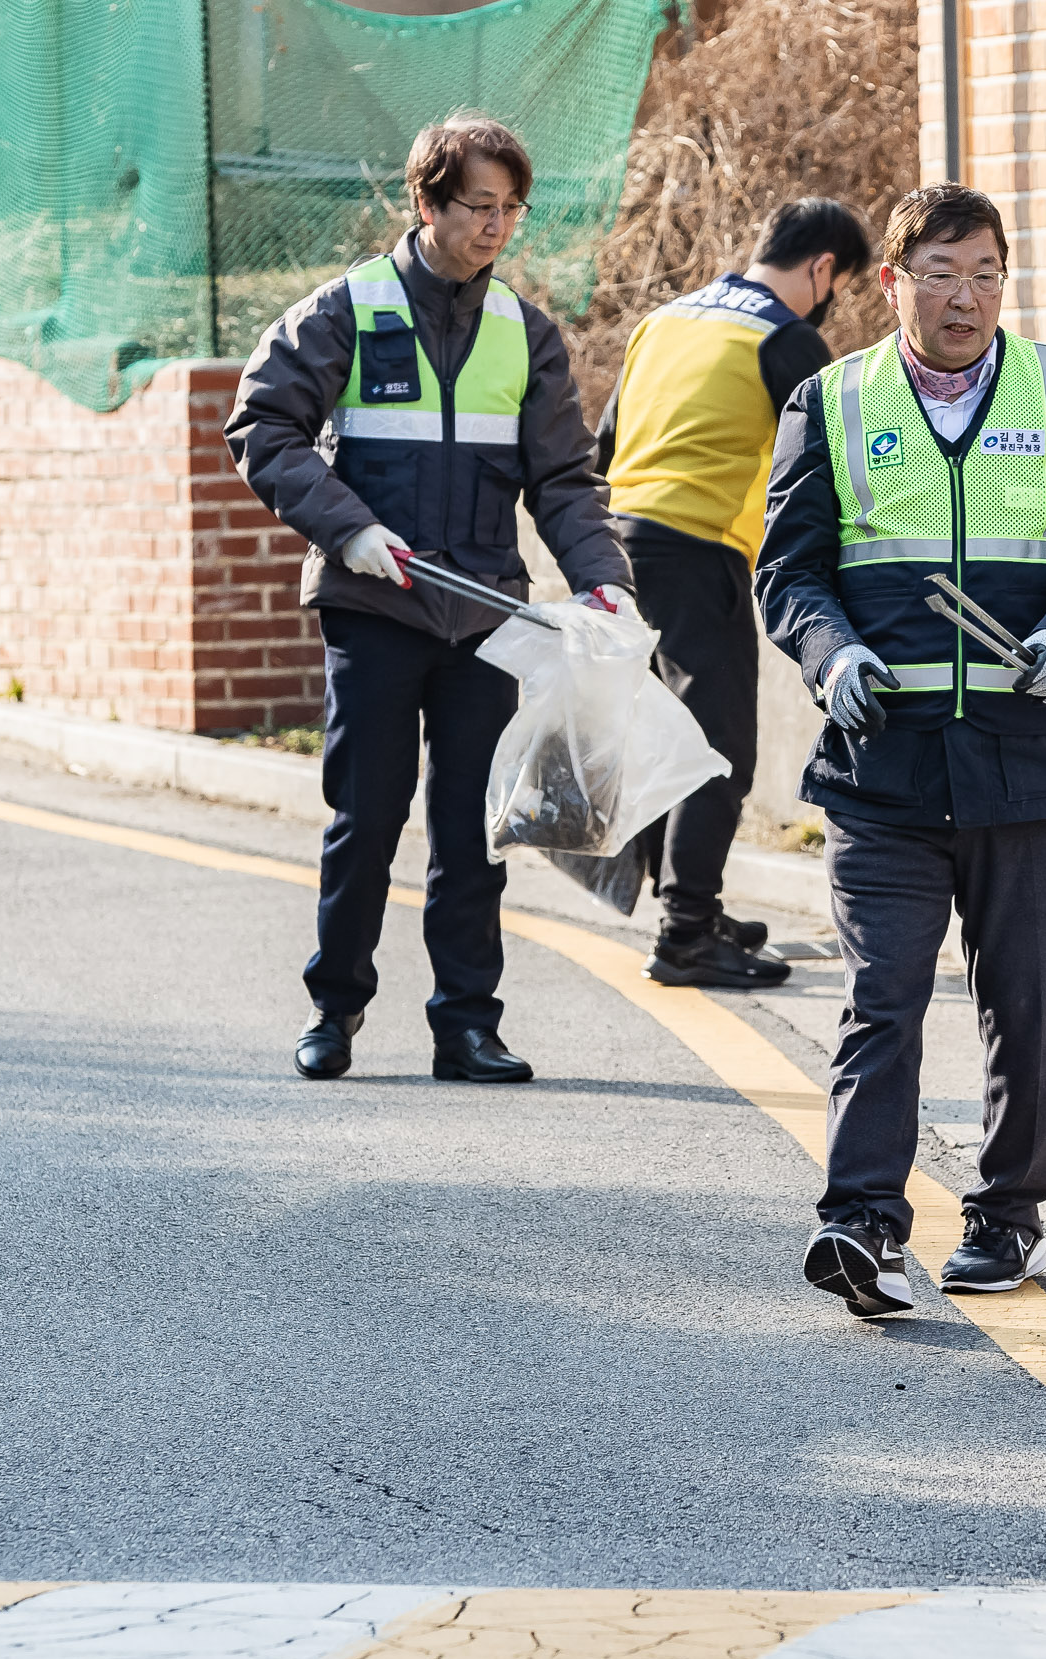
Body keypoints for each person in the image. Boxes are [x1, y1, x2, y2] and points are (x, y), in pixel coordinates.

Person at [757, 183, 1046, 1312]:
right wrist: (829, 655)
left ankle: (1005, 1215)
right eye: (938, 272)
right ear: (893, 280)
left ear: (1004, 281)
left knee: (1023, 1002)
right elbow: (788, 569)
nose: (962, 295)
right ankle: (861, 1221)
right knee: (881, 992)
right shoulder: (830, 400)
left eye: (982, 272)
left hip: (1027, 765)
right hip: (885, 765)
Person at [227, 113, 633, 1086]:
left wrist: (602, 575)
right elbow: (264, 424)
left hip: (483, 612)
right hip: (375, 607)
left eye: (510, 209)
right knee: (365, 816)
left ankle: (467, 1023)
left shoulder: (523, 332)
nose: (496, 227)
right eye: (477, 207)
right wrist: (348, 527)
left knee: (470, 827)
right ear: (426, 202)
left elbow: (564, 481)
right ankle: (336, 1007)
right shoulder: (349, 310)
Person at [598, 199, 875, 990]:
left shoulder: (666, 320)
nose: (833, 299)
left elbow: (604, 446)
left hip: (617, 545)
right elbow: (829, 466)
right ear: (822, 267)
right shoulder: (785, 340)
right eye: (840, 283)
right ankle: (685, 934)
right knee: (717, 748)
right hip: (697, 550)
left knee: (663, 736)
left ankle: (693, 907)